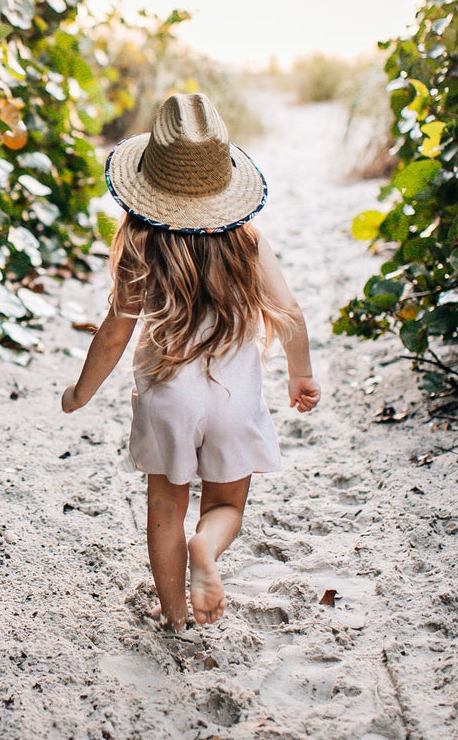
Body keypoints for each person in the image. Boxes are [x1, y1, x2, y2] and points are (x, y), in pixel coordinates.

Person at [60, 93, 320, 629]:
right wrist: (301, 374)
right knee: (226, 506)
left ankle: (175, 615)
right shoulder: (246, 238)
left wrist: (80, 391)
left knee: (164, 508)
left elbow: (114, 332)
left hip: (167, 397)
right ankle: (206, 547)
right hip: (235, 399)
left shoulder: (139, 239)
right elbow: (289, 311)